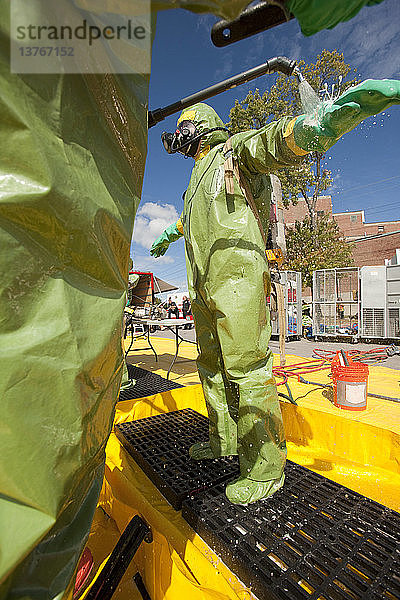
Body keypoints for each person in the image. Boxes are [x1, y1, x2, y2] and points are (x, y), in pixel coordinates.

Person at [151, 80, 400, 505]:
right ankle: (225, 440)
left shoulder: (234, 152)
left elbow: (275, 141)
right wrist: (170, 235)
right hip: (203, 285)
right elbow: (192, 220)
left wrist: (320, 123)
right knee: (211, 365)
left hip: (239, 281)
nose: (179, 138)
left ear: (202, 126)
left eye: (184, 128)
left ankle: (265, 468)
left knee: (247, 370)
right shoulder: (194, 182)